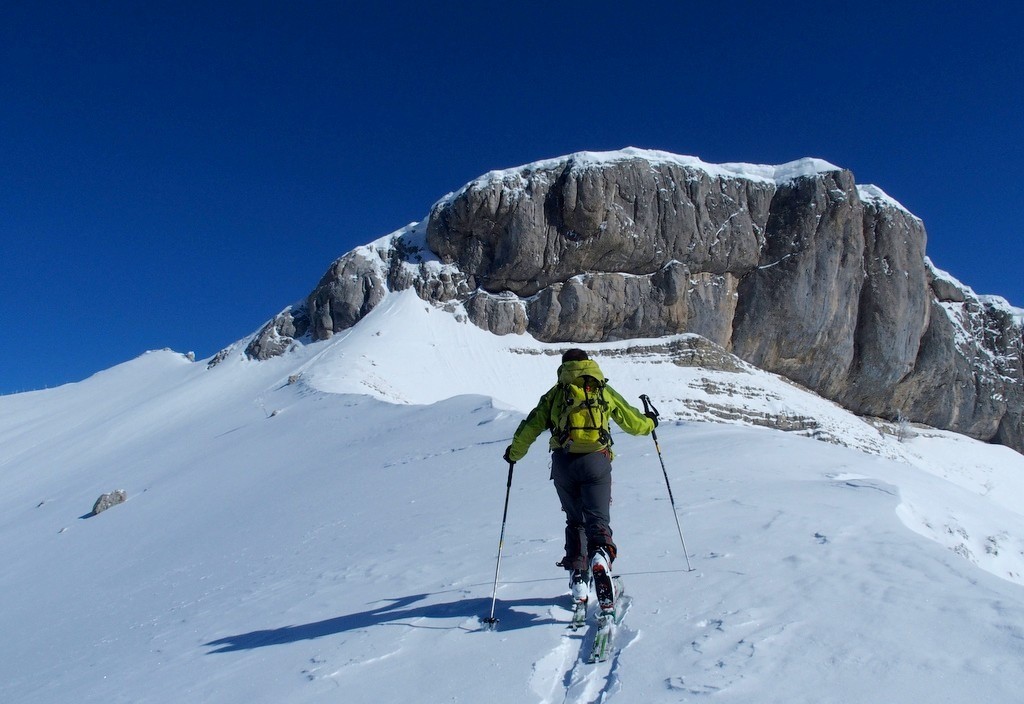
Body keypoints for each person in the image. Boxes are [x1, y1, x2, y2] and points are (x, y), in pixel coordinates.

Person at [503, 348, 657, 612]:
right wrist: (650, 423)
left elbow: (531, 426)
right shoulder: (601, 389)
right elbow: (633, 422)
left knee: (575, 521)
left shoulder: (555, 394)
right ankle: (600, 558)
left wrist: (513, 453)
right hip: (597, 461)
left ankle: (579, 579)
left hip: (564, 464)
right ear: (588, 363)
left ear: (564, 366)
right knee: (598, 520)